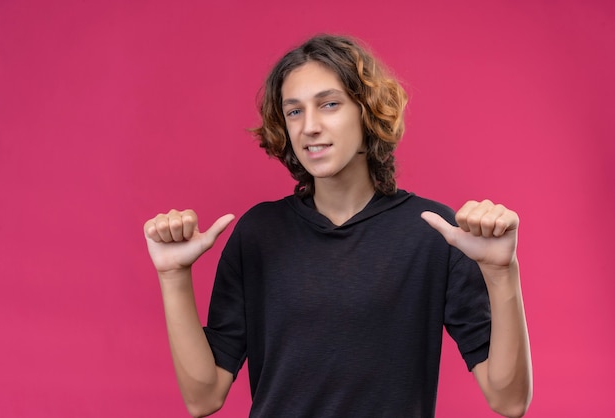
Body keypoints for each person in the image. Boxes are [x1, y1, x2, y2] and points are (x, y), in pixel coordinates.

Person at [143, 34, 532, 418]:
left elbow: (509, 400)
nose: (309, 127)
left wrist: (502, 272)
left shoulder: (434, 233)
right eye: (294, 111)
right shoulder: (258, 233)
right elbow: (203, 397)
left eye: (329, 105)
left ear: (368, 112)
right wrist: (173, 275)